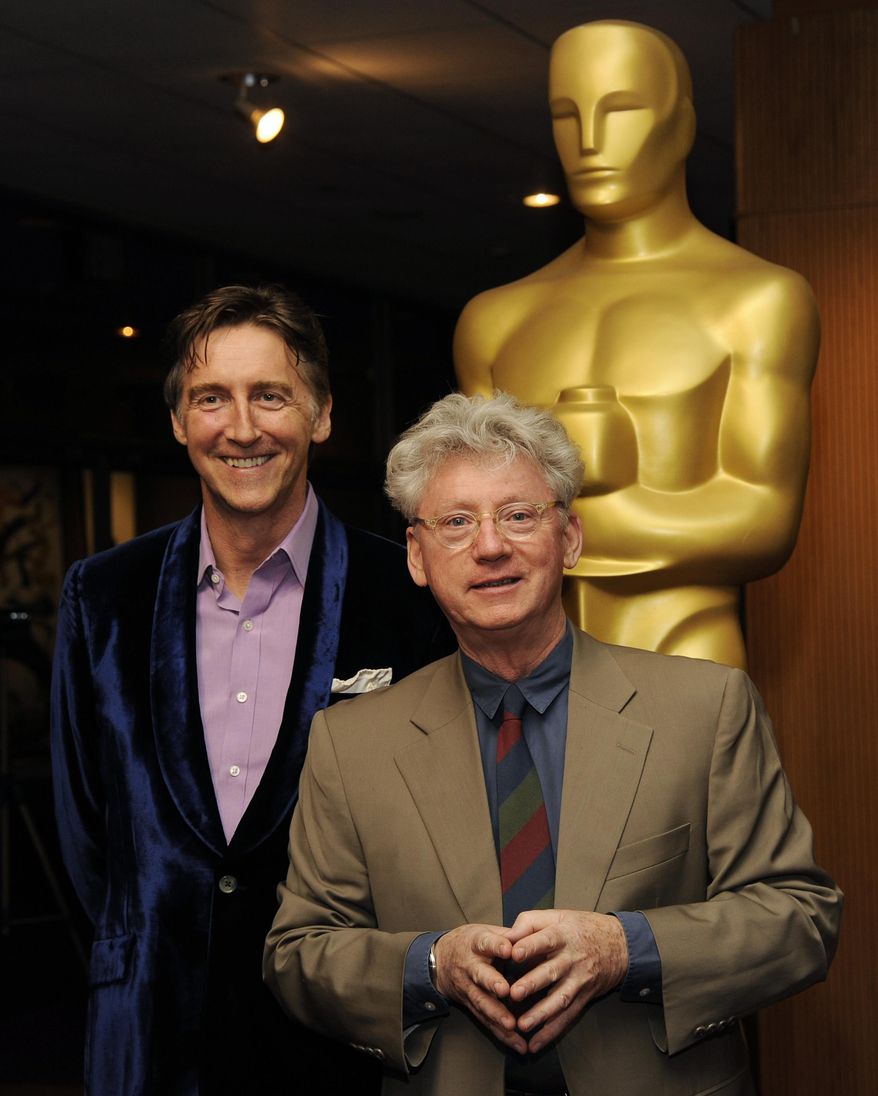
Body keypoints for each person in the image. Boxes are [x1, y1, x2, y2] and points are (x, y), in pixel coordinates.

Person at [264, 392, 841, 1096]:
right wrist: (430, 965)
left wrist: (626, 949)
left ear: (569, 538)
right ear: (417, 556)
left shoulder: (706, 709)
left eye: (518, 514)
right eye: (455, 522)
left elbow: (799, 917)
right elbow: (298, 953)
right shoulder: (351, 743)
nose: (490, 545)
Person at [50, 283, 454, 1096]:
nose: (241, 427)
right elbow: (84, 837)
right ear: (178, 422)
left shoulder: (406, 593)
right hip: (150, 1042)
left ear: (322, 414)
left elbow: (441, 831)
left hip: (345, 1046)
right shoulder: (103, 596)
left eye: (270, 395)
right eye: (211, 399)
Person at [453, 20, 821, 671]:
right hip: (522, 667)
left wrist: (541, 520)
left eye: (620, 110)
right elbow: (466, 517)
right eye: (567, 117)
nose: (589, 142)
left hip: (684, 647)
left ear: (680, 125)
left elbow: (763, 516)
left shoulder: (757, 300)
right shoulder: (496, 319)